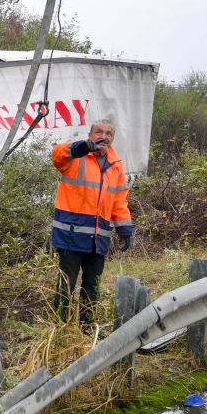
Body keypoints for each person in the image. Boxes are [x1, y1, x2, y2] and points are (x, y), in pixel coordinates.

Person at [50, 119, 134, 322]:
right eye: (99, 132)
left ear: (112, 138)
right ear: (90, 134)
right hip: (71, 235)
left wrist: (125, 228)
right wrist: (76, 148)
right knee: (66, 284)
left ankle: (87, 328)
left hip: (98, 239)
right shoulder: (75, 156)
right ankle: (61, 328)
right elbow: (57, 155)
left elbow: (119, 201)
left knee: (92, 286)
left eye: (108, 133)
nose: (103, 137)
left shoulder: (115, 166)